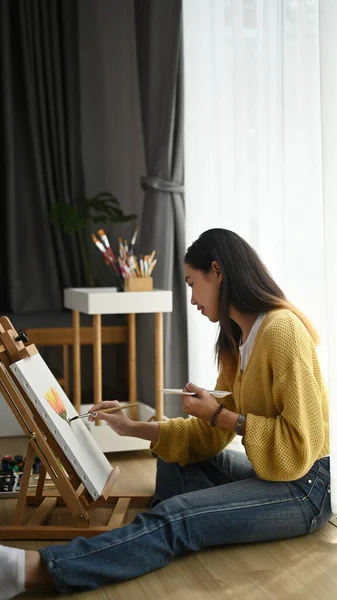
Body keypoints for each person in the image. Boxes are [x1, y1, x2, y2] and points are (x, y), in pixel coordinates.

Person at [1, 228, 331, 599]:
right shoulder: (236, 340)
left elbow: (300, 448)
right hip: (270, 472)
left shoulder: (282, 332)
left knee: (178, 516)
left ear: (217, 272)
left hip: (304, 489)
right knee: (174, 457)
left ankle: (30, 570)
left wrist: (220, 416)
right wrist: (131, 428)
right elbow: (208, 438)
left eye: (193, 284)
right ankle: (161, 533)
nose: (191, 299)